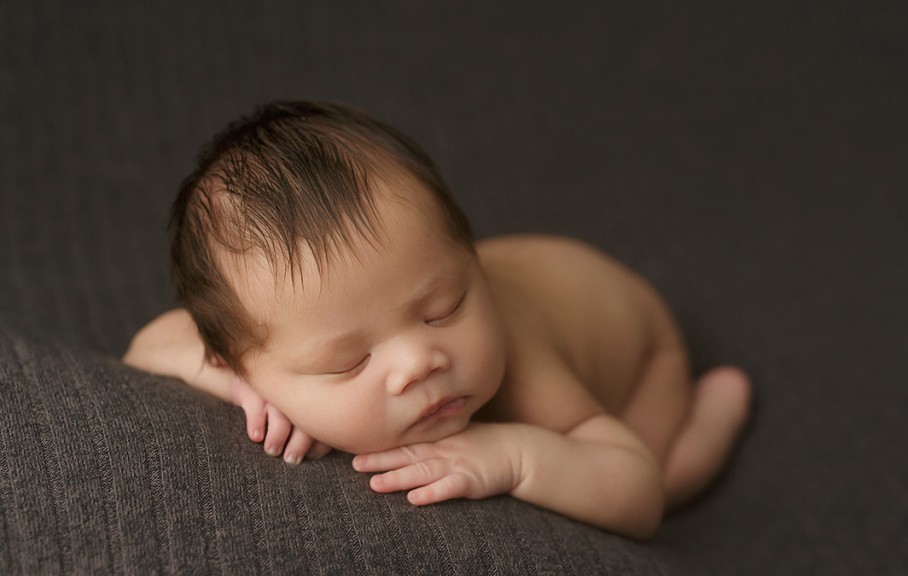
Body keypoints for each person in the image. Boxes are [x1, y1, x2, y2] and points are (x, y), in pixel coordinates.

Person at [123, 100, 752, 539]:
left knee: (660, 482)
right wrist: (242, 389)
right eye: (349, 361)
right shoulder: (255, 351)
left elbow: (633, 488)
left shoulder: (524, 368)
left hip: (638, 350)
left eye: (445, 308)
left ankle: (710, 417)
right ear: (237, 360)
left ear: (471, 260)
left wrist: (516, 457)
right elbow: (151, 345)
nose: (420, 363)